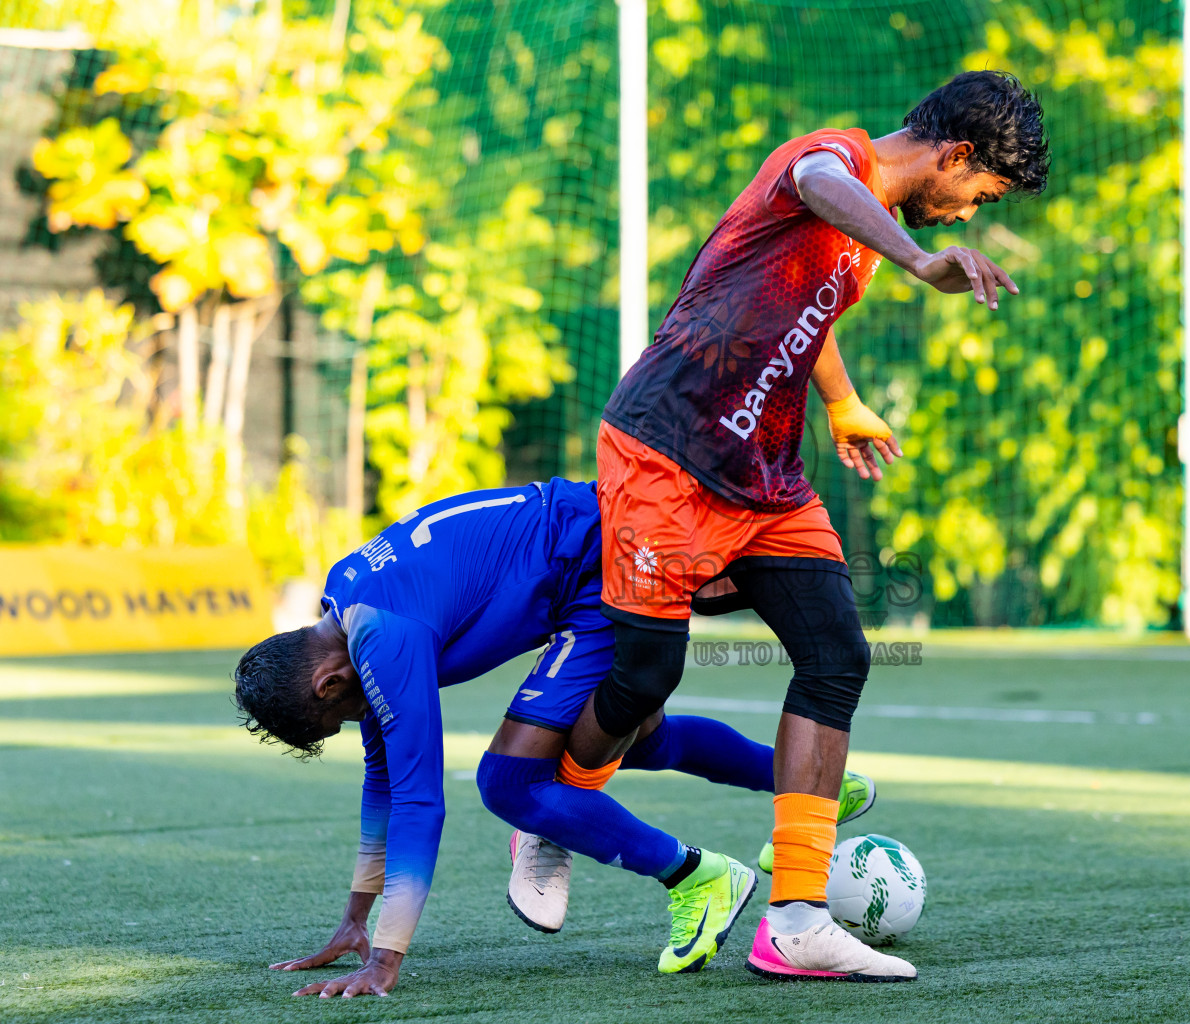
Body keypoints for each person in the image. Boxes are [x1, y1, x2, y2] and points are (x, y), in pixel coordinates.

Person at [565, 69, 1050, 982]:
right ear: (955, 157)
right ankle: (560, 810)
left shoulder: (857, 240)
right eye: (978, 194)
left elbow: (808, 316)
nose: (965, 216)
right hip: (666, 453)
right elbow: (822, 188)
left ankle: (794, 917)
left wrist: (845, 402)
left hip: (766, 477)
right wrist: (915, 259)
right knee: (644, 677)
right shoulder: (829, 161)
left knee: (838, 653)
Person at [233, 479, 878, 997]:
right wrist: (355, 918)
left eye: (335, 719)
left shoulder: (384, 641)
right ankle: (814, 786)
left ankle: (695, 876)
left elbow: (421, 803)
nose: (352, 722)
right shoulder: (343, 601)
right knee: (642, 741)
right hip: (587, 545)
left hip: (599, 572)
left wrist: (388, 958)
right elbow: (382, 782)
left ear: (328, 684)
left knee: (510, 782)